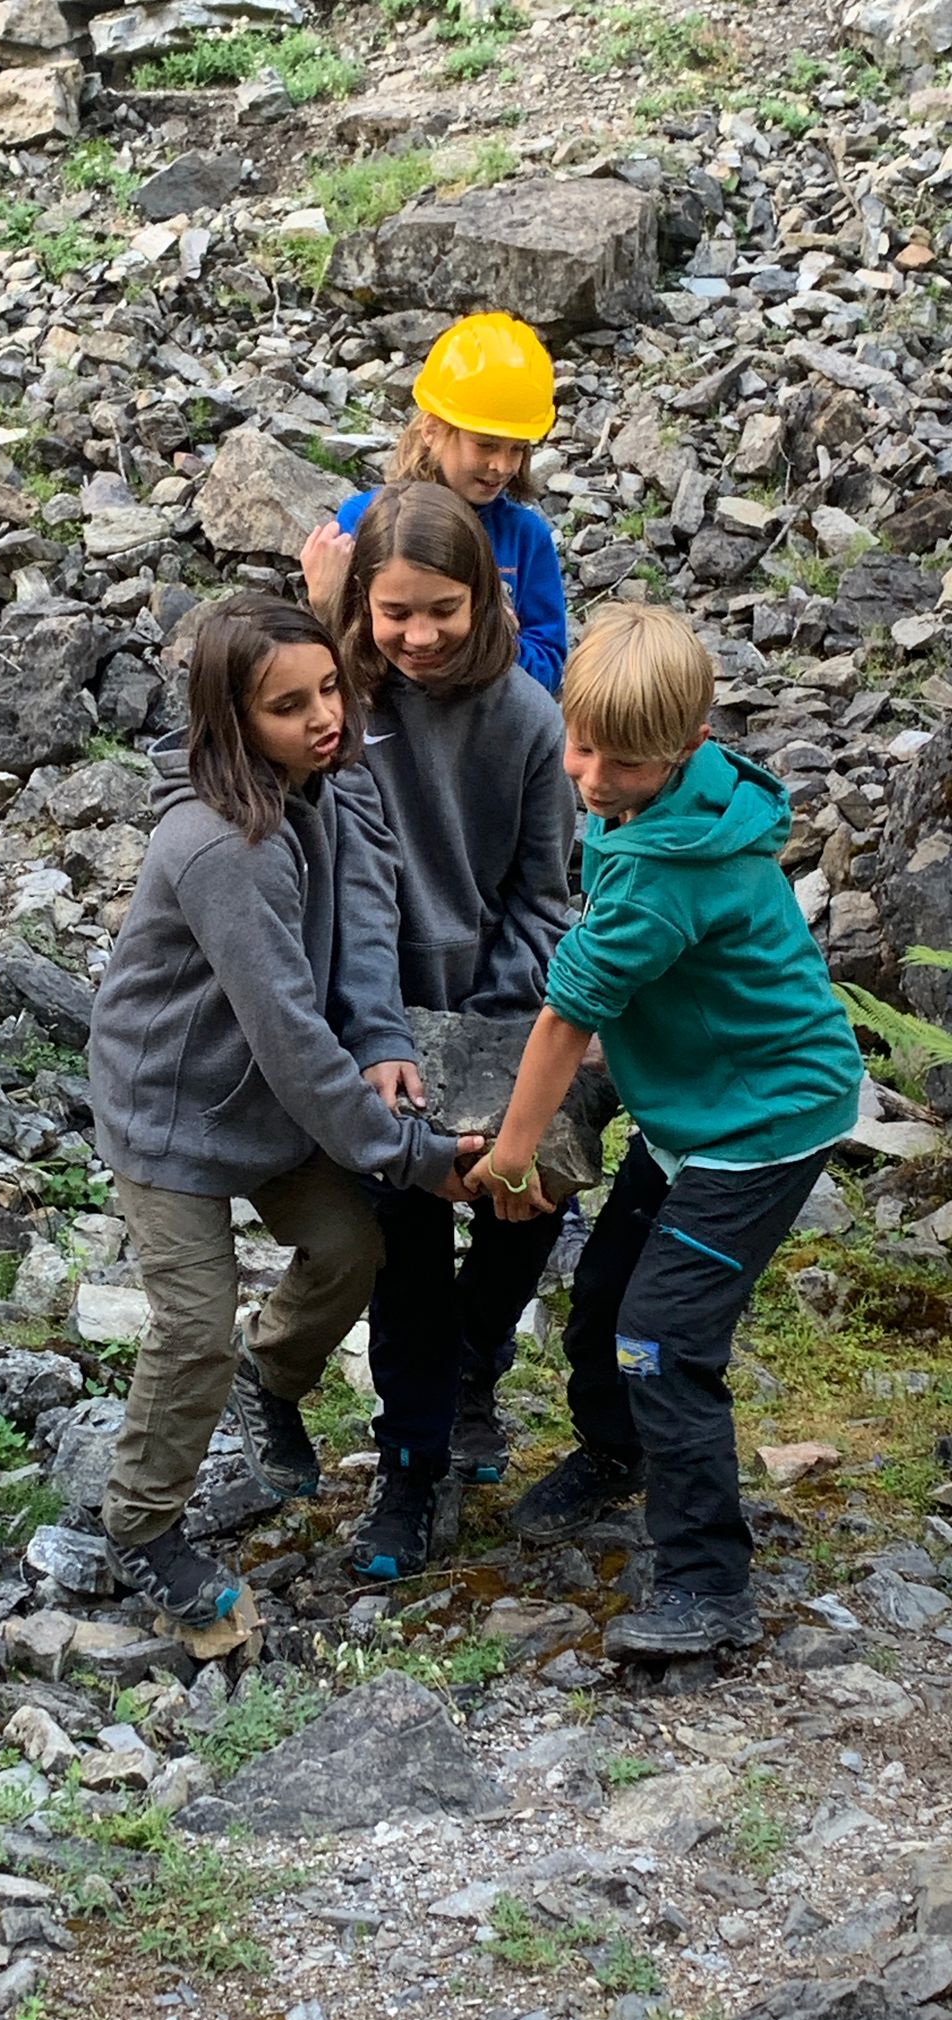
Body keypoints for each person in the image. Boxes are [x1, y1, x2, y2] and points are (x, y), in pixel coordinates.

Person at [465, 604, 864, 1660]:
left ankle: (708, 1582)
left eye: (624, 762)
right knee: (604, 1295)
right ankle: (617, 1452)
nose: (593, 780)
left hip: (761, 1122)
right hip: (696, 1103)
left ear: (688, 743)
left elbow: (567, 1015)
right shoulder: (670, 798)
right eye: (580, 746)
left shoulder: (665, 870)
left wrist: (514, 1154)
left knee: (661, 1338)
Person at [87, 592, 481, 1628]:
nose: (325, 719)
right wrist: (414, 1155)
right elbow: (293, 1037)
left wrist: (384, 1040)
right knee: (193, 1328)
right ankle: (140, 1528)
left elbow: (364, 918)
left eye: (331, 691)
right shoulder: (226, 849)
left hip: (264, 1102)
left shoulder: (326, 786)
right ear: (233, 721)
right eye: (288, 706)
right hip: (169, 1111)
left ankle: (275, 1377)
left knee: (349, 1246)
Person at [304, 481, 576, 1580]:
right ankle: (411, 1462)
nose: (418, 636)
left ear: (485, 600)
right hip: (378, 1016)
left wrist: (499, 1042)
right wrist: (382, 1037)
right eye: (395, 612)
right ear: (363, 605)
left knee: (529, 1203)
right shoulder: (345, 717)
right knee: (405, 1242)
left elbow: (543, 897)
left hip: (501, 1015)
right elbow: (358, 895)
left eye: (442, 611)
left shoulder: (529, 720)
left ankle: (476, 1364)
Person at [318, 311, 568, 694]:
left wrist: (493, 639)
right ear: (432, 430)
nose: (502, 466)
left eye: (517, 449)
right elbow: (336, 666)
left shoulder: (526, 537)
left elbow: (548, 666)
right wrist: (327, 604)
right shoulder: (364, 520)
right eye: (485, 445)